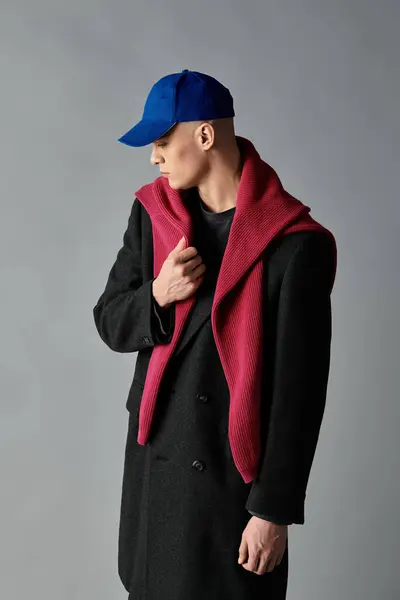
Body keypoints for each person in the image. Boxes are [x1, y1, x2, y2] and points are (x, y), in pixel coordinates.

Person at [92, 69, 337, 600]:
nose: (154, 158)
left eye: (161, 142)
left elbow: (299, 394)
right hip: (156, 481)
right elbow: (110, 318)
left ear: (204, 135)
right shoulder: (152, 216)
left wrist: (273, 510)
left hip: (232, 490)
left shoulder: (295, 245)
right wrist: (158, 293)